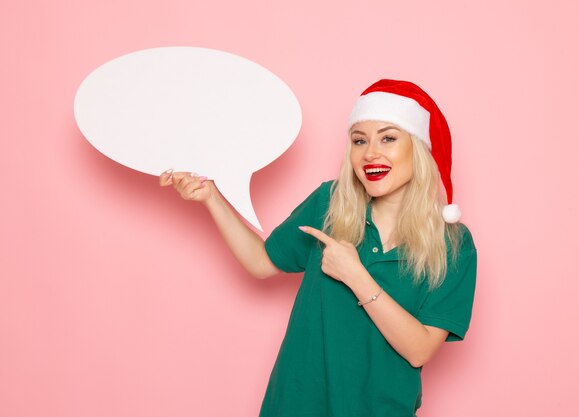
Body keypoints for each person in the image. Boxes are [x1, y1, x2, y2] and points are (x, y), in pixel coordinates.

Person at [159, 79, 477, 416]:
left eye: (388, 137)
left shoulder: (454, 244)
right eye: (359, 140)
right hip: (295, 405)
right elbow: (261, 261)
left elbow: (420, 350)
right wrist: (212, 198)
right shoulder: (330, 201)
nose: (370, 152)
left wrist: (356, 276)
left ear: (418, 148)